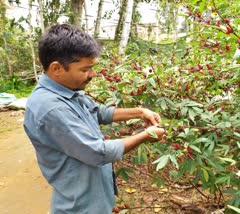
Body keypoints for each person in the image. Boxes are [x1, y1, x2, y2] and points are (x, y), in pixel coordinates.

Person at [23, 24, 166, 214]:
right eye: (85, 69)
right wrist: (146, 135)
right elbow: (97, 153)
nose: (93, 74)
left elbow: (98, 112)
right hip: (80, 207)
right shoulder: (51, 108)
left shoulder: (67, 91)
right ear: (56, 68)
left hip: (92, 199)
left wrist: (140, 112)